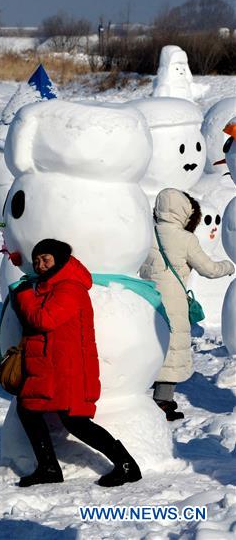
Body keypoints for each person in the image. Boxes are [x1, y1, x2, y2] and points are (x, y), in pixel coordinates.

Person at [12, 239, 141, 487]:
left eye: (45, 259)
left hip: (67, 369)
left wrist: (25, 295)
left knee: (76, 421)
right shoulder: (52, 286)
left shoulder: (69, 287)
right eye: (37, 261)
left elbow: (44, 320)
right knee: (29, 409)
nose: (40, 265)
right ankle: (49, 467)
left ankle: (126, 465)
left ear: (59, 260)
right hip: (52, 367)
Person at [139, 188, 234, 420]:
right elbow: (208, 269)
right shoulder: (184, 238)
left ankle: (143, 394)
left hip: (147, 298)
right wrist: (228, 266)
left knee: (150, 344)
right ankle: (162, 401)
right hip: (173, 300)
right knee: (172, 348)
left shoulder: (145, 233)